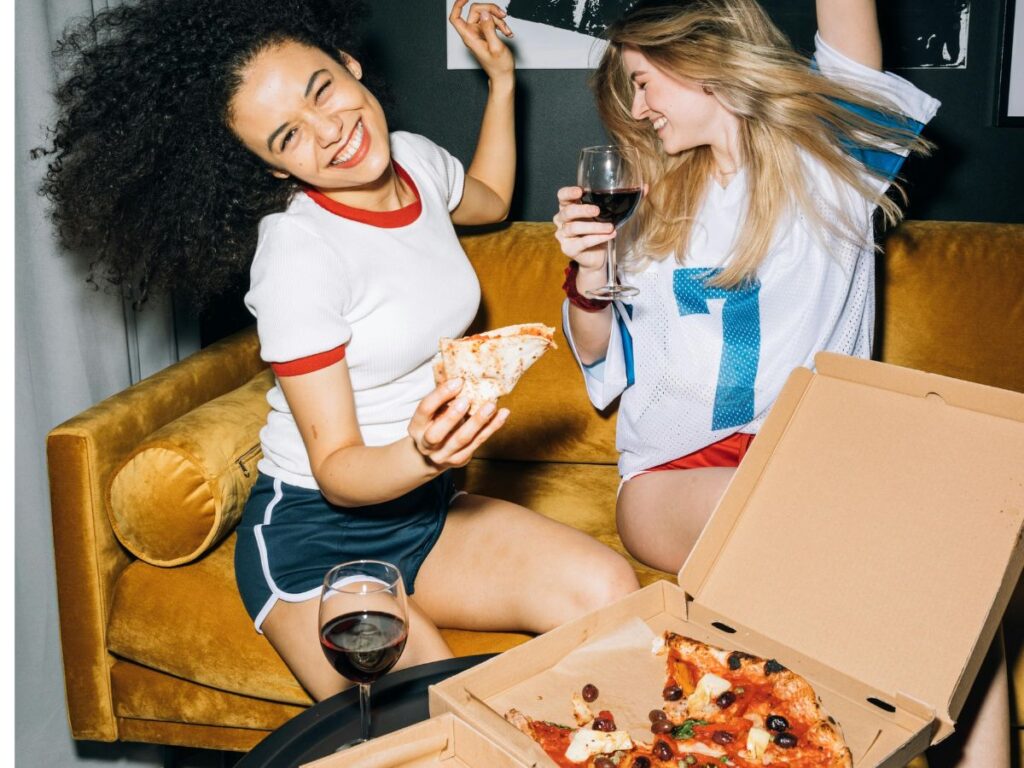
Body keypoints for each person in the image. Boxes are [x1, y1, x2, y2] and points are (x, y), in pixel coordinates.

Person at [39, 0, 640, 701]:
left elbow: (488, 200)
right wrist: (424, 452)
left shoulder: (412, 159)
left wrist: (503, 82)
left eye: (321, 89)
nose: (330, 132)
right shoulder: (299, 254)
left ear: (349, 66)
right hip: (318, 536)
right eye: (289, 136)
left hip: (426, 511)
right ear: (269, 169)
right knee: (438, 725)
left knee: (608, 590)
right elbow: (337, 472)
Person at [554, 2, 1009, 766]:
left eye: (642, 81)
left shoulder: (833, 160)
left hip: (814, 461)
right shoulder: (649, 202)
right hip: (673, 477)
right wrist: (591, 279)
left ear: (698, 59)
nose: (637, 109)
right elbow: (597, 354)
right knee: (839, 529)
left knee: (964, 573)